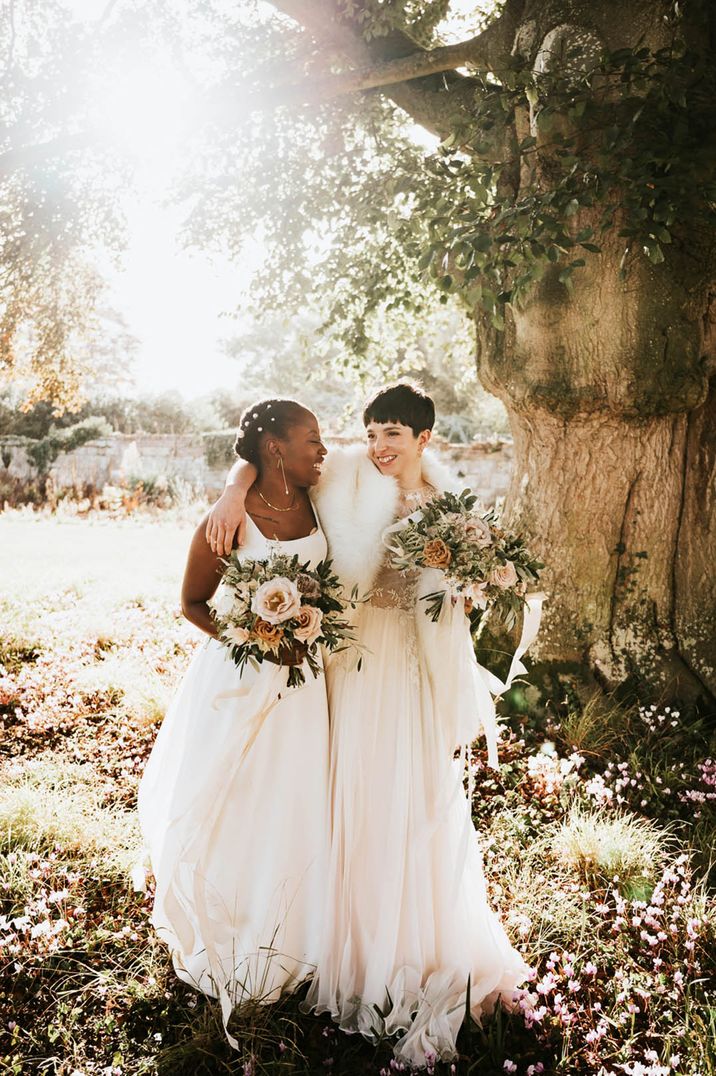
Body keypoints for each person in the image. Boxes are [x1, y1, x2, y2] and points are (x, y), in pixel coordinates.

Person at [206, 381, 543, 1067]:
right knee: (340, 800)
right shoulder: (346, 477)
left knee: (406, 803)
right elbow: (261, 449)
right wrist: (232, 491)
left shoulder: (450, 512)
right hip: (340, 663)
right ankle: (337, 942)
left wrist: (465, 589)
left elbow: (451, 605)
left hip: (404, 673)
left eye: (394, 432)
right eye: (373, 430)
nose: (380, 445)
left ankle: (403, 945)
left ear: (425, 438)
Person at [137, 398, 331, 1048]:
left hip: (311, 684)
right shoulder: (229, 520)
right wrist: (255, 635)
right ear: (275, 447)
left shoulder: (321, 494)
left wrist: (237, 476)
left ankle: (302, 927)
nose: (321, 449)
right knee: (237, 804)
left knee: (299, 801)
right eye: (310, 438)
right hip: (241, 679)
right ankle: (237, 927)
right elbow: (192, 601)